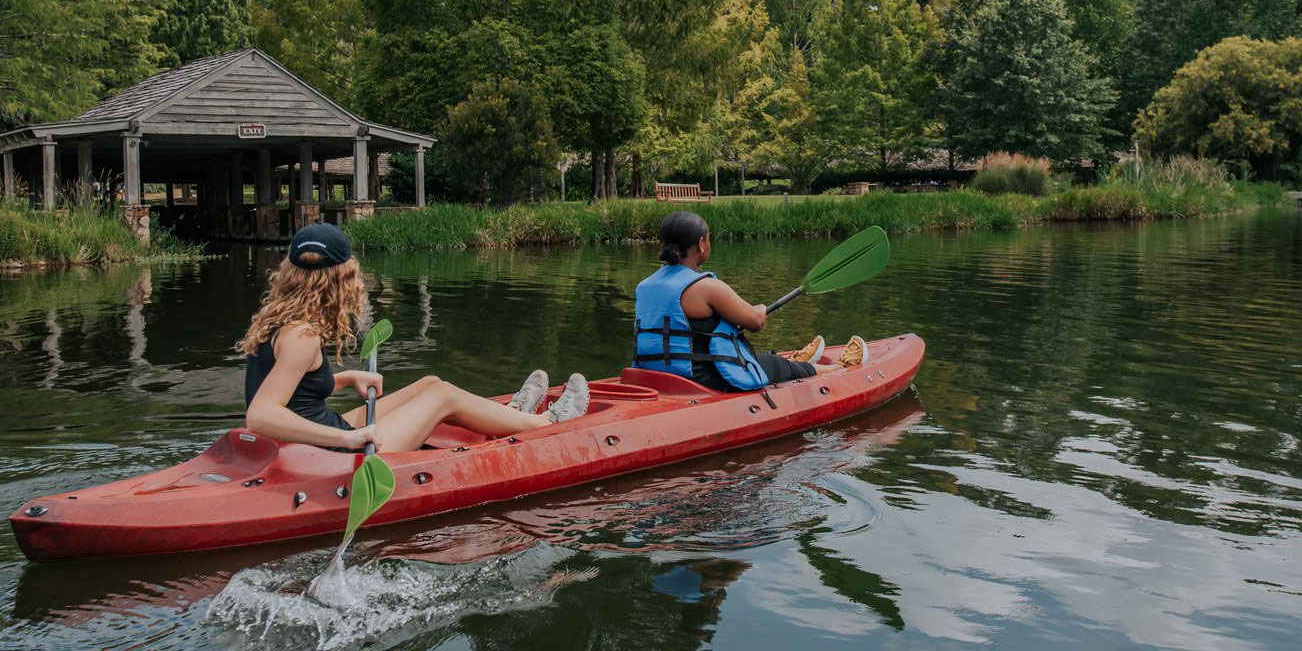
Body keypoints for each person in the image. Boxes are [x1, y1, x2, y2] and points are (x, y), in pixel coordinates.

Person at [242, 224, 587, 453]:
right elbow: (260, 417)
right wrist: (347, 438)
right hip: (326, 453)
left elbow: (293, 394)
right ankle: (544, 423)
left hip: (314, 437)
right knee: (443, 395)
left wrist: (346, 378)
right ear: (342, 278)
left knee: (429, 382)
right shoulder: (303, 335)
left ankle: (512, 415)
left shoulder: (281, 321)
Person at [633, 211, 864, 391]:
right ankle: (840, 368)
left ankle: (799, 359)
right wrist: (760, 309)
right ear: (702, 244)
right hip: (704, 380)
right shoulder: (706, 287)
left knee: (761, 358)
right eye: (709, 240)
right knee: (782, 366)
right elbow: (755, 322)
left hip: (657, 378)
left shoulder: (644, 287)